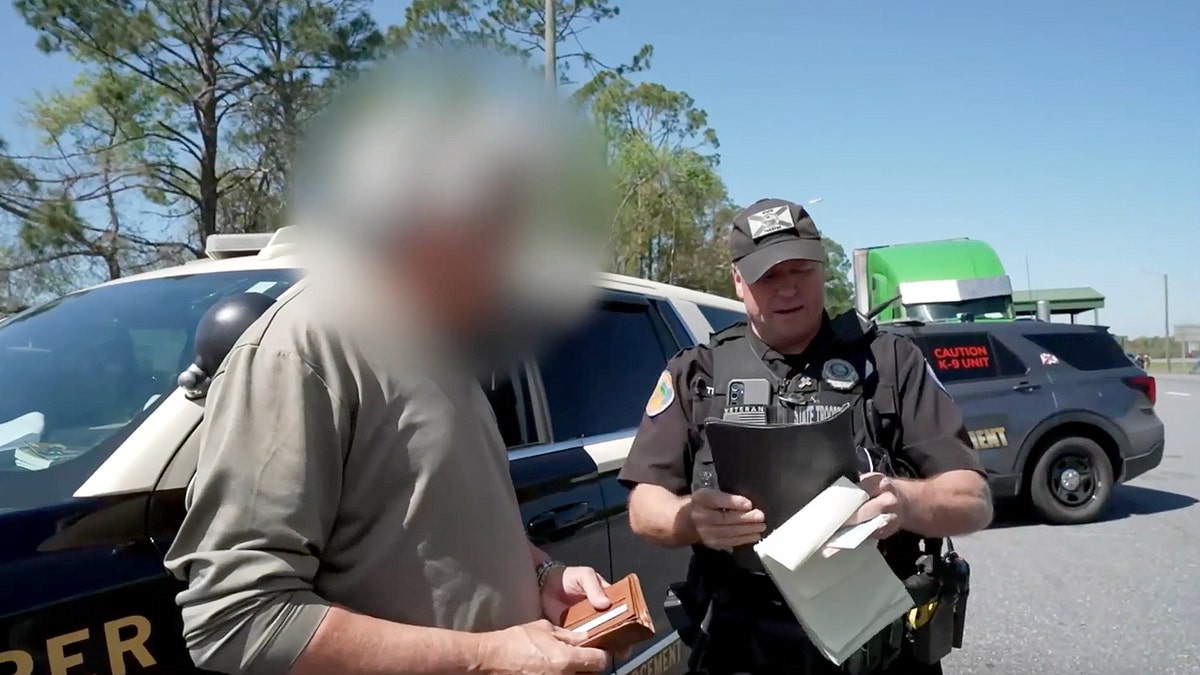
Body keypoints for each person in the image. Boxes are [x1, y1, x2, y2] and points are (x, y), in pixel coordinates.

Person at [163, 53, 616, 675]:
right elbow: (236, 619)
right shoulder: (306, 345)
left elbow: (437, 531)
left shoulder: (444, 346)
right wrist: (486, 658)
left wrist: (542, 572)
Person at [618, 198, 995, 674]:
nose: (788, 288)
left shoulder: (891, 362)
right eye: (768, 275)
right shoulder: (697, 373)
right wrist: (693, 518)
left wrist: (903, 502)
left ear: (822, 268)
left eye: (800, 269)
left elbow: (974, 499)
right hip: (741, 647)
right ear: (738, 281)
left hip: (876, 648)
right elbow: (644, 506)